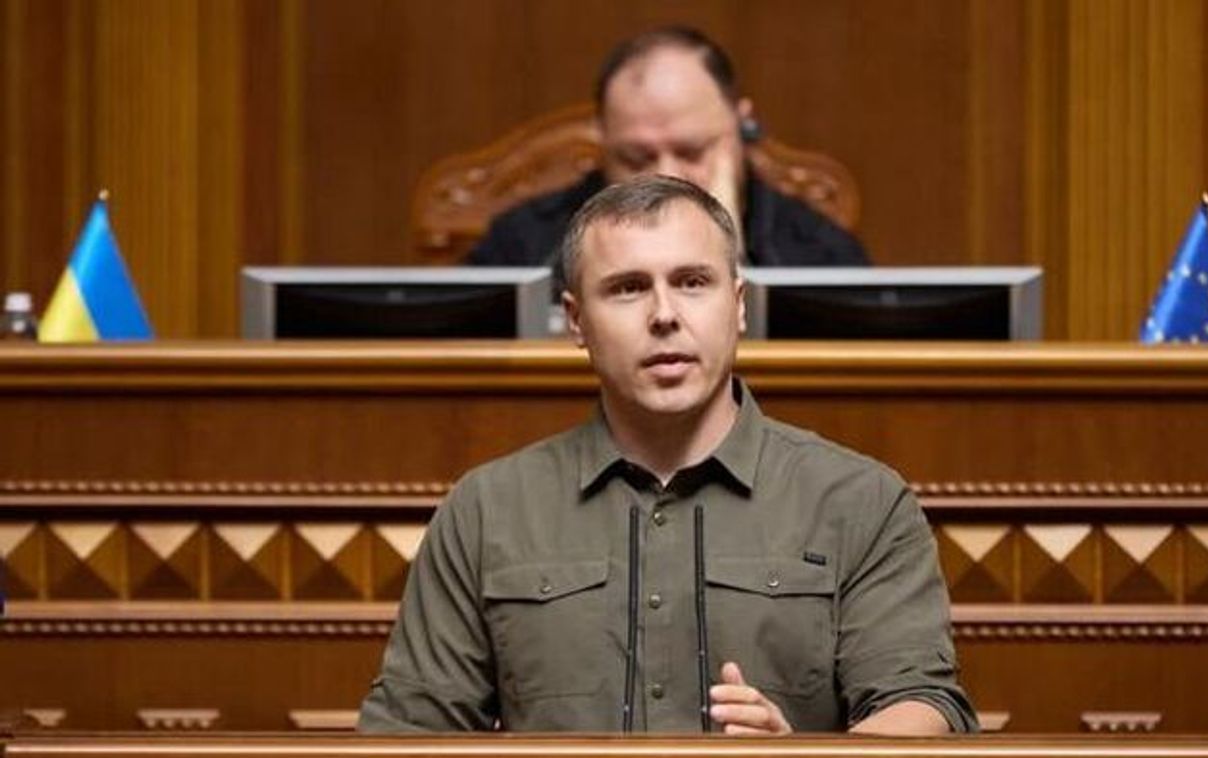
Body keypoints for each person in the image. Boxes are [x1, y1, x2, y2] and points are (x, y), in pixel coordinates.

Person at [359, 175, 974, 734]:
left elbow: (921, 703)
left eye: (692, 282)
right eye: (627, 289)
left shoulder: (860, 499)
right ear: (575, 320)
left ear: (738, 304)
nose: (664, 315)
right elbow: (408, 733)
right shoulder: (487, 509)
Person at [468, 26, 870, 278]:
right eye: (636, 158)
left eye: (691, 151)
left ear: (743, 127)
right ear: (603, 143)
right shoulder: (524, 244)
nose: (667, 175)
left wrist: (727, 249)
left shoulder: (818, 252)